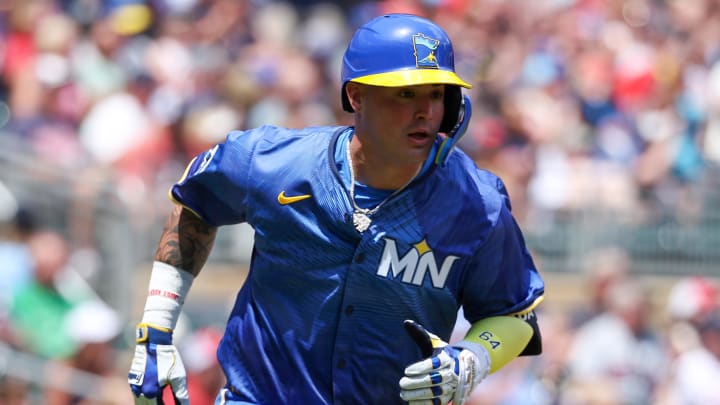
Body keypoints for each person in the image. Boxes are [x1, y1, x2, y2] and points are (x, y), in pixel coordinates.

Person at [128, 13, 545, 405]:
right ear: (355, 95)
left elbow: (513, 315)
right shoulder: (274, 163)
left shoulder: (477, 203)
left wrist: (472, 359)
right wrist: (156, 328)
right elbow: (195, 205)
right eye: (405, 93)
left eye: (437, 94)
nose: (426, 111)